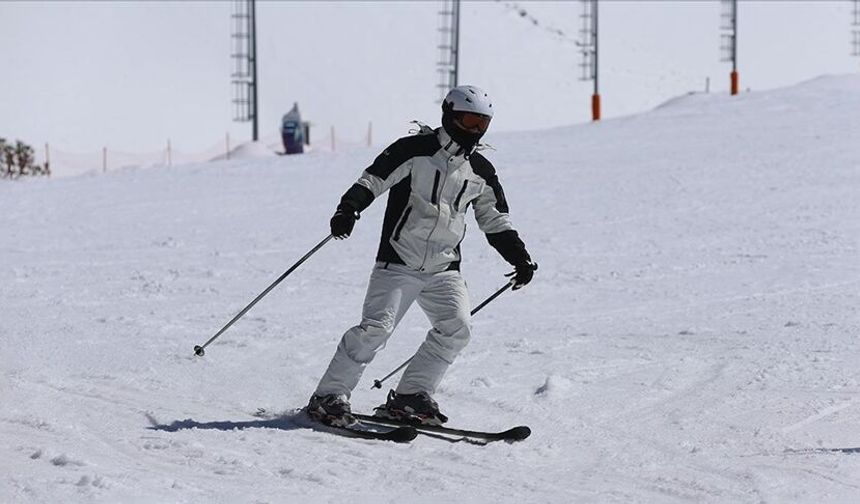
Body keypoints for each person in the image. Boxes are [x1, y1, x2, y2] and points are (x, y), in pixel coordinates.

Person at [307, 85, 537, 427]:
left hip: (444, 267)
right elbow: (373, 180)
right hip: (399, 261)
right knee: (375, 330)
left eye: (482, 124)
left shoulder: (480, 171)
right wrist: (348, 209)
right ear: (450, 115)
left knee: (456, 328)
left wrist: (519, 258)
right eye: (470, 120)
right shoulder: (414, 150)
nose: (475, 130)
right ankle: (329, 397)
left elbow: (495, 220)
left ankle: (411, 396)